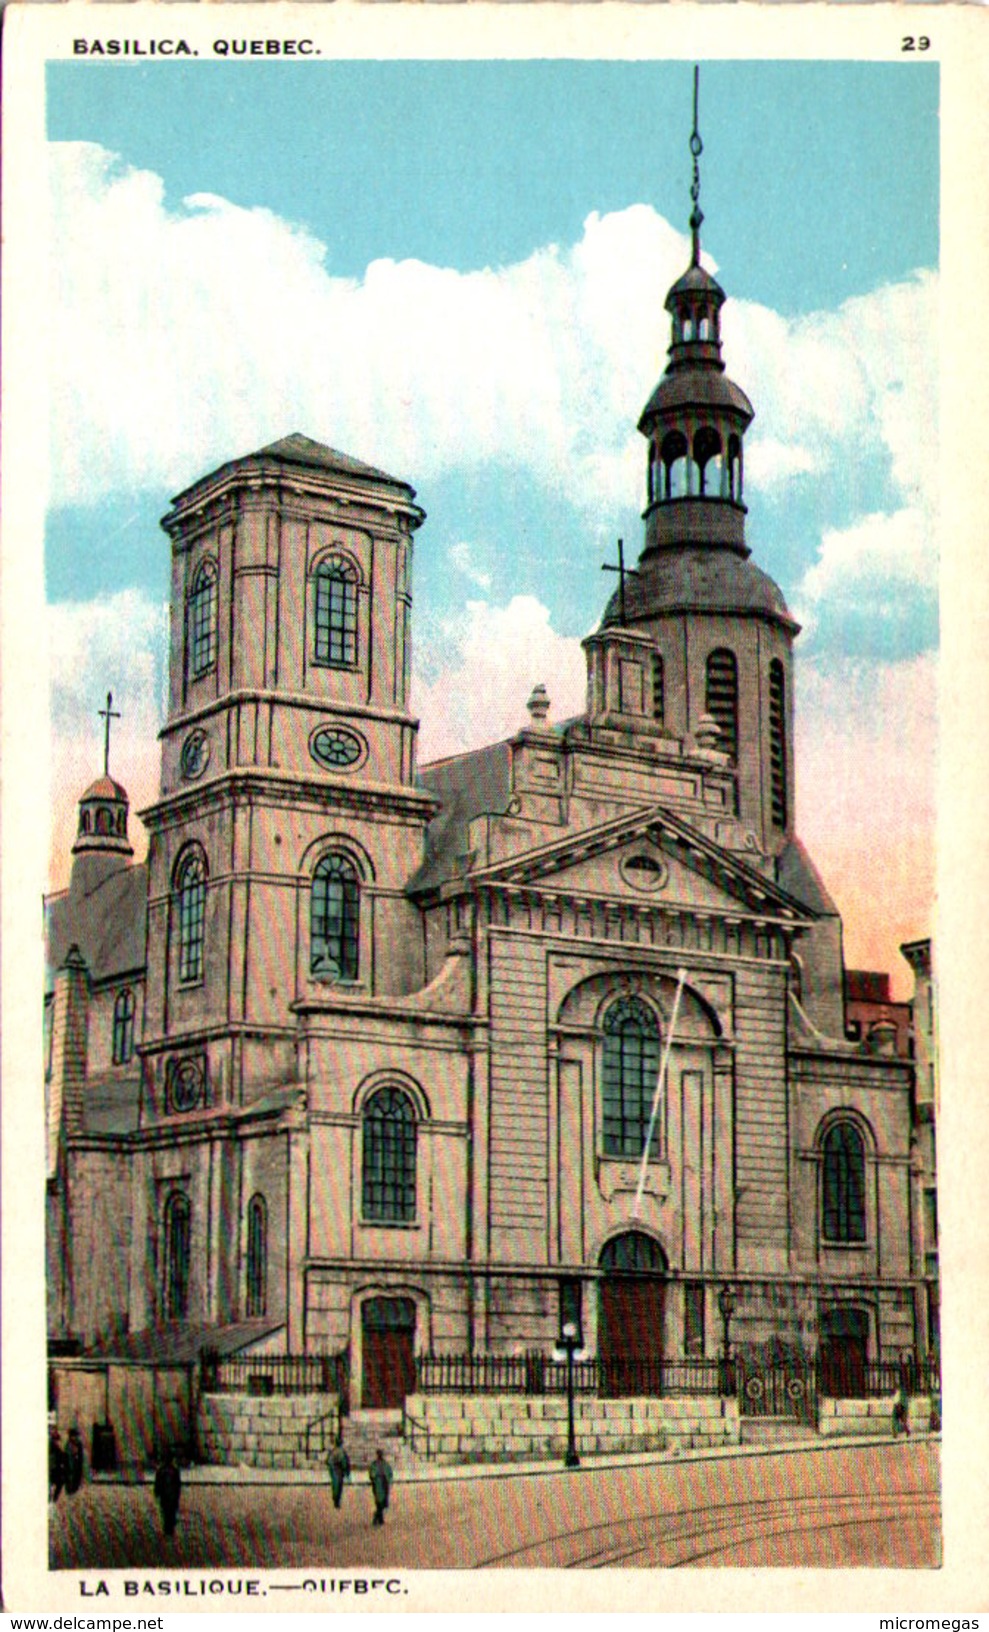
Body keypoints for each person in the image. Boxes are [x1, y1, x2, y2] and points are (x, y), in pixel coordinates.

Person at [154, 1449, 182, 1536]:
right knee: (170, 1512)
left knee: (166, 1511)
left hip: (166, 1495)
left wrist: (157, 1491)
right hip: (171, 1495)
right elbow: (178, 1484)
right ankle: (169, 1528)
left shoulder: (161, 1470)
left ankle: (168, 1528)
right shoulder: (174, 1470)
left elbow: (158, 1482)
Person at [368, 1448, 393, 1527]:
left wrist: (388, 1479)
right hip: (378, 1483)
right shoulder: (375, 1464)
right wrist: (374, 1479)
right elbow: (372, 1473)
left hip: (383, 1483)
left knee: (383, 1501)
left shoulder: (385, 1464)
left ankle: (379, 1517)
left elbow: (389, 1473)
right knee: (379, 1501)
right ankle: (377, 1517)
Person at [327, 1437, 351, 1509]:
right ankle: (337, 1500)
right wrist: (346, 1472)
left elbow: (328, 1461)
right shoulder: (341, 1452)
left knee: (334, 1484)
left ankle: (335, 1498)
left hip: (333, 1469)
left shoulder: (332, 1451)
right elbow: (344, 1462)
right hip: (338, 1470)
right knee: (339, 1484)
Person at [64, 1427, 85, 1495]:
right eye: (74, 1436)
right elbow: (68, 1455)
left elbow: (81, 1455)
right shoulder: (69, 1444)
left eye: (76, 1436)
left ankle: (74, 1489)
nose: (75, 1437)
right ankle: (70, 1489)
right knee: (70, 1476)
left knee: (76, 1476)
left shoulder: (78, 1444)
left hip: (77, 1464)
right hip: (71, 1464)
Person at [49, 1428, 67, 1505]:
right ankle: (53, 1499)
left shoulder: (55, 1444)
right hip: (54, 1467)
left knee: (58, 1483)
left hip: (56, 1467)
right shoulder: (52, 1444)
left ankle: (53, 1498)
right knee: (57, 1482)